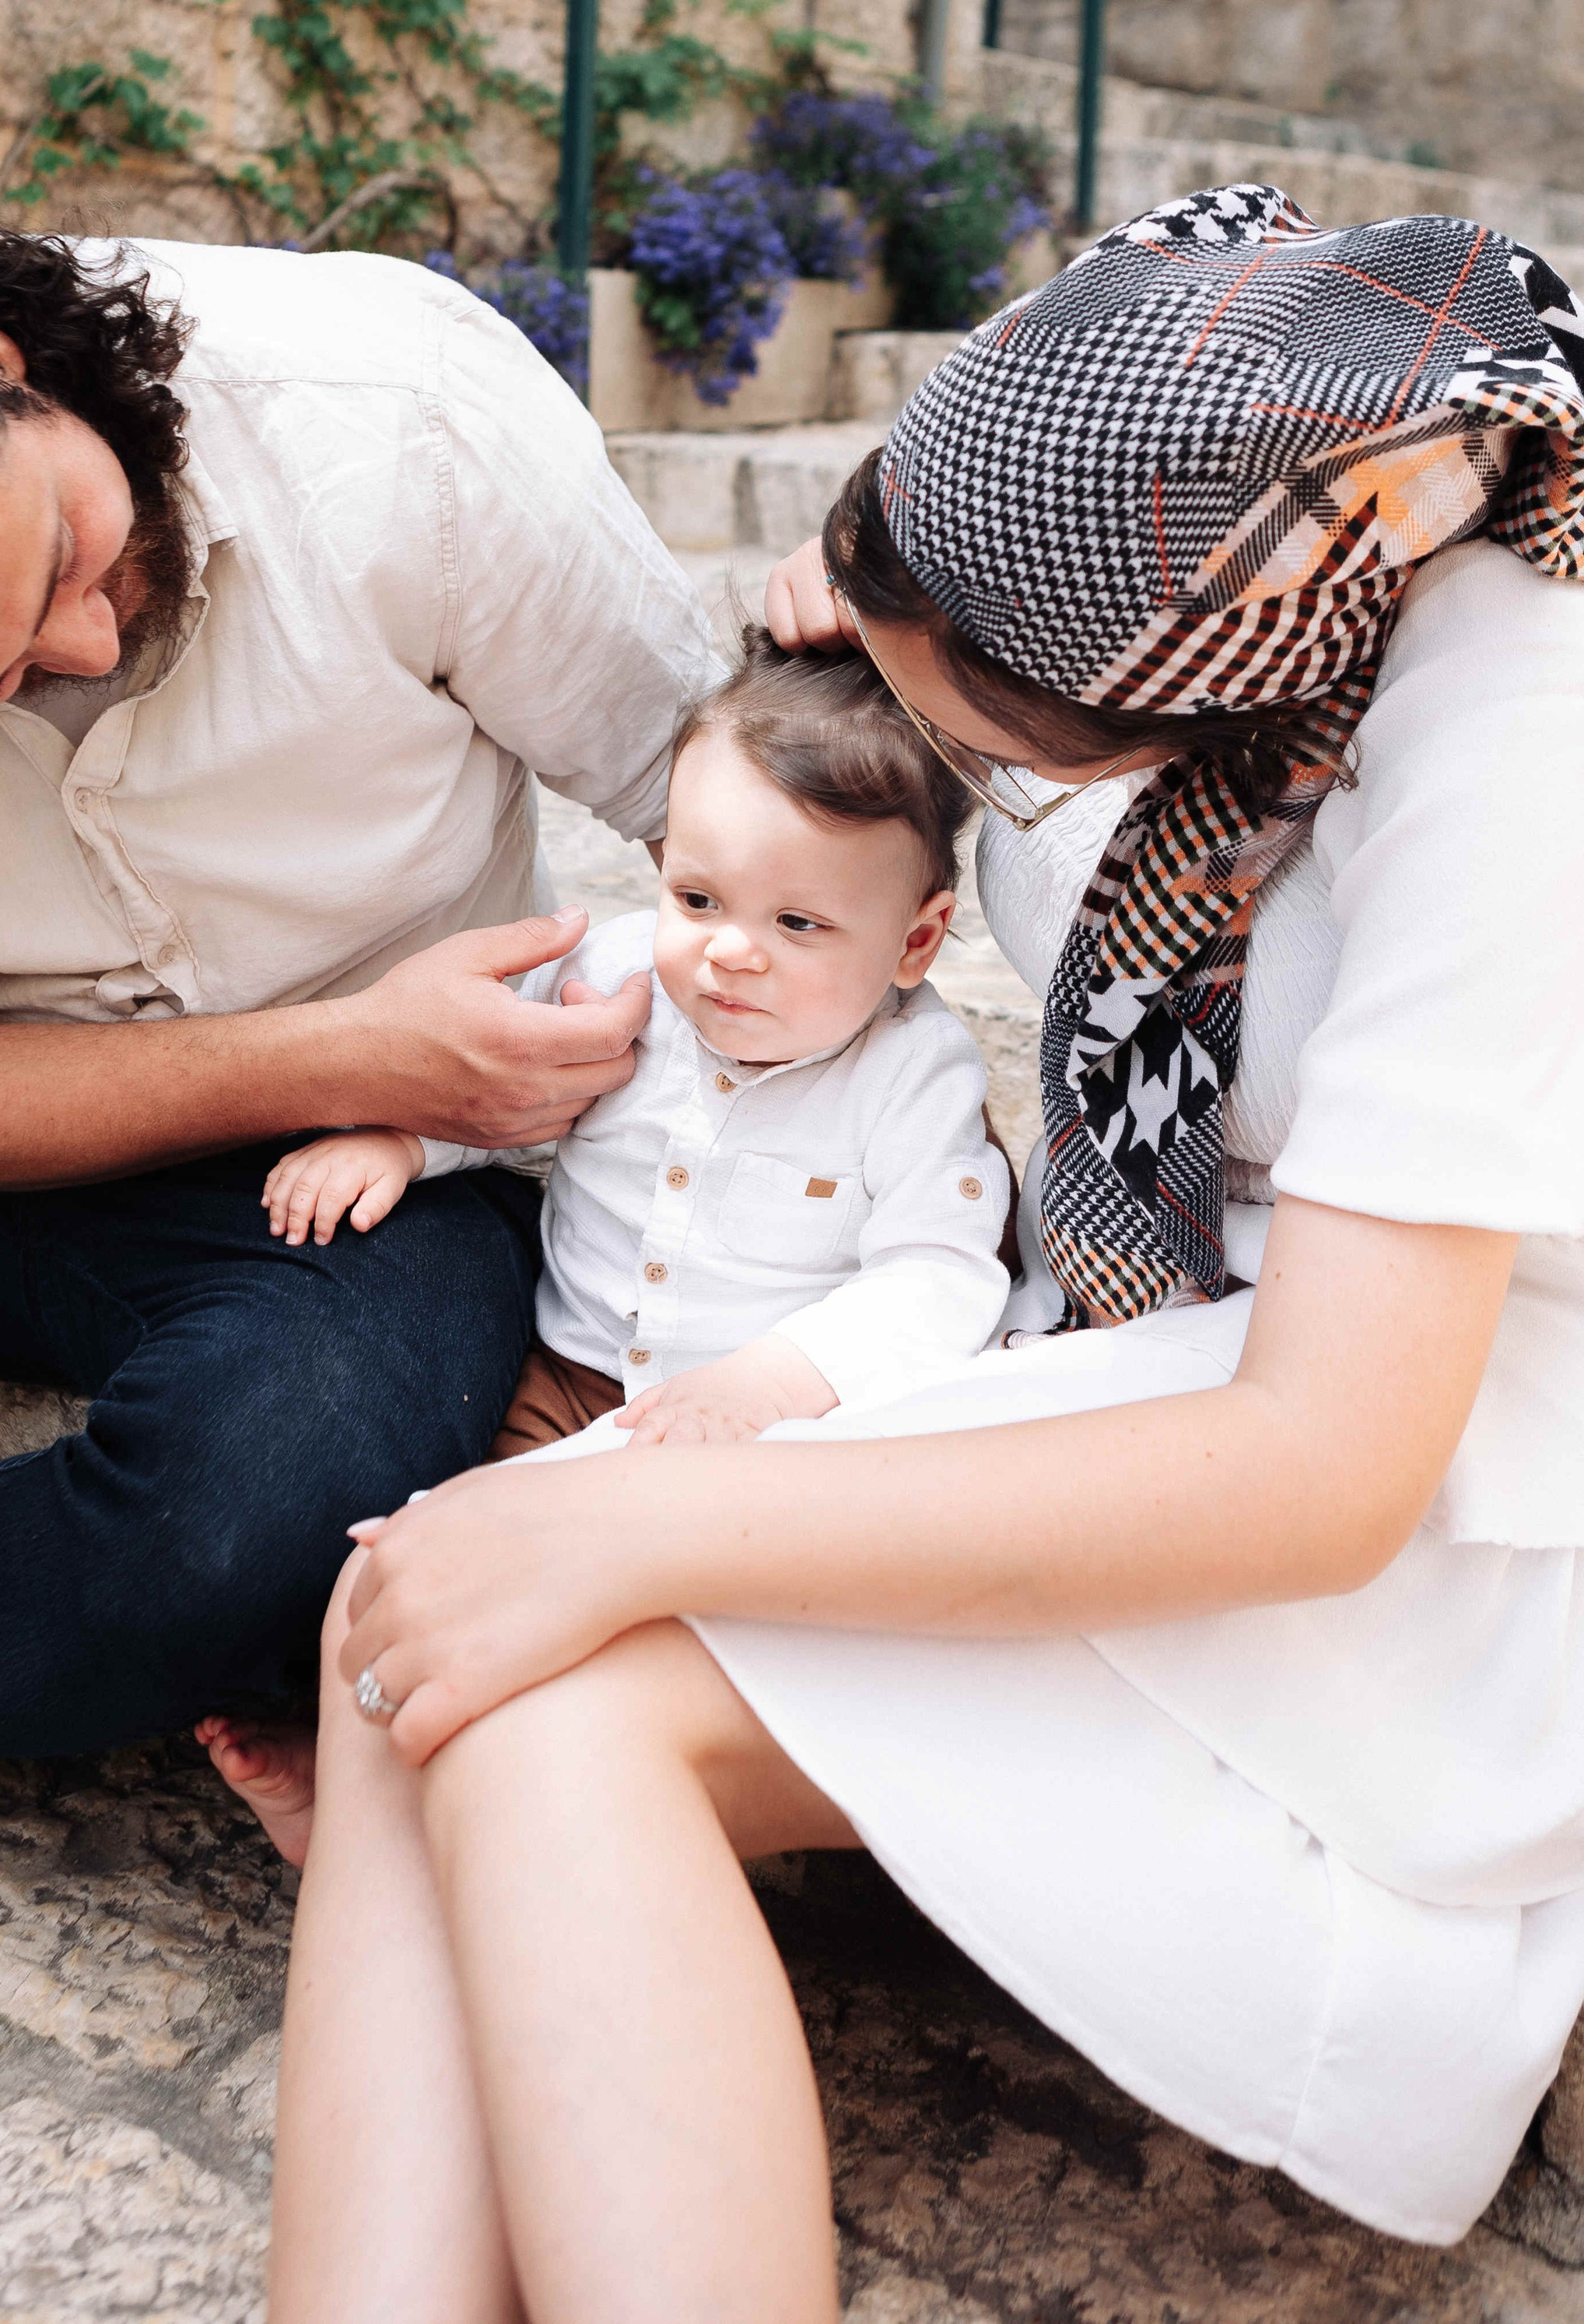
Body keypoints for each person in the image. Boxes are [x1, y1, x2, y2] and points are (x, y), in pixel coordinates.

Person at [262, 184, 1584, 2320]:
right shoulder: (1202, 491)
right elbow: (1029, 527)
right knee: (402, 1613)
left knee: (540, 1691)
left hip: (1443, 1511)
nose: (974, 795)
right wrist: (903, 575)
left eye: (976, 761)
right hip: (1183, 1372)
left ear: (1137, 688)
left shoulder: (1524, 748)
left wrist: (642, 1529)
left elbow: (1332, 1474)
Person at [0, 203, 717, 1815]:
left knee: (242, 1506)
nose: (85, 636)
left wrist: (671, 1297)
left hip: (380, 1177)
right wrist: (337, 1046)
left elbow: (730, 816)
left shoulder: (393, 415)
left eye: (53, 553)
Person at [202, 629, 1011, 1852]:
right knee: (413, 1546)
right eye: (698, 898)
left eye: (797, 922)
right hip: (573, 1382)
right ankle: (355, 1780)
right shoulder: (628, 983)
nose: (730, 951)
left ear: (914, 939)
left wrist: (770, 1382)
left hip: (770, 1435)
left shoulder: (911, 1075)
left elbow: (942, 1275)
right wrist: (406, 1145)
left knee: (632, 1625)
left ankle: (512, 1807)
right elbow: (508, 1092)